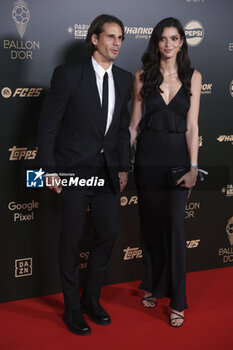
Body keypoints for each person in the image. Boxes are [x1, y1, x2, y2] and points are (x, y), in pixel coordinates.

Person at [38, 14, 133, 335]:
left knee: (106, 236)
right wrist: (48, 169)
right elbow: (48, 126)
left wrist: (123, 167)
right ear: (94, 39)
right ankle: (72, 308)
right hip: (73, 172)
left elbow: (121, 130)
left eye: (120, 37)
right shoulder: (68, 75)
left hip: (108, 174)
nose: (117, 43)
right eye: (110, 36)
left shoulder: (123, 78)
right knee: (71, 239)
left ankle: (92, 299)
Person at [129, 17, 202, 327]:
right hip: (147, 161)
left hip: (176, 162)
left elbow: (192, 126)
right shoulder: (142, 76)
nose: (168, 44)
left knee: (175, 228)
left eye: (174, 38)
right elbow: (133, 126)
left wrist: (194, 166)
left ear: (182, 42)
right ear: (156, 43)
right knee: (152, 229)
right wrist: (121, 163)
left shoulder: (193, 77)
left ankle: (178, 300)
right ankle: (154, 286)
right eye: (163, 39)